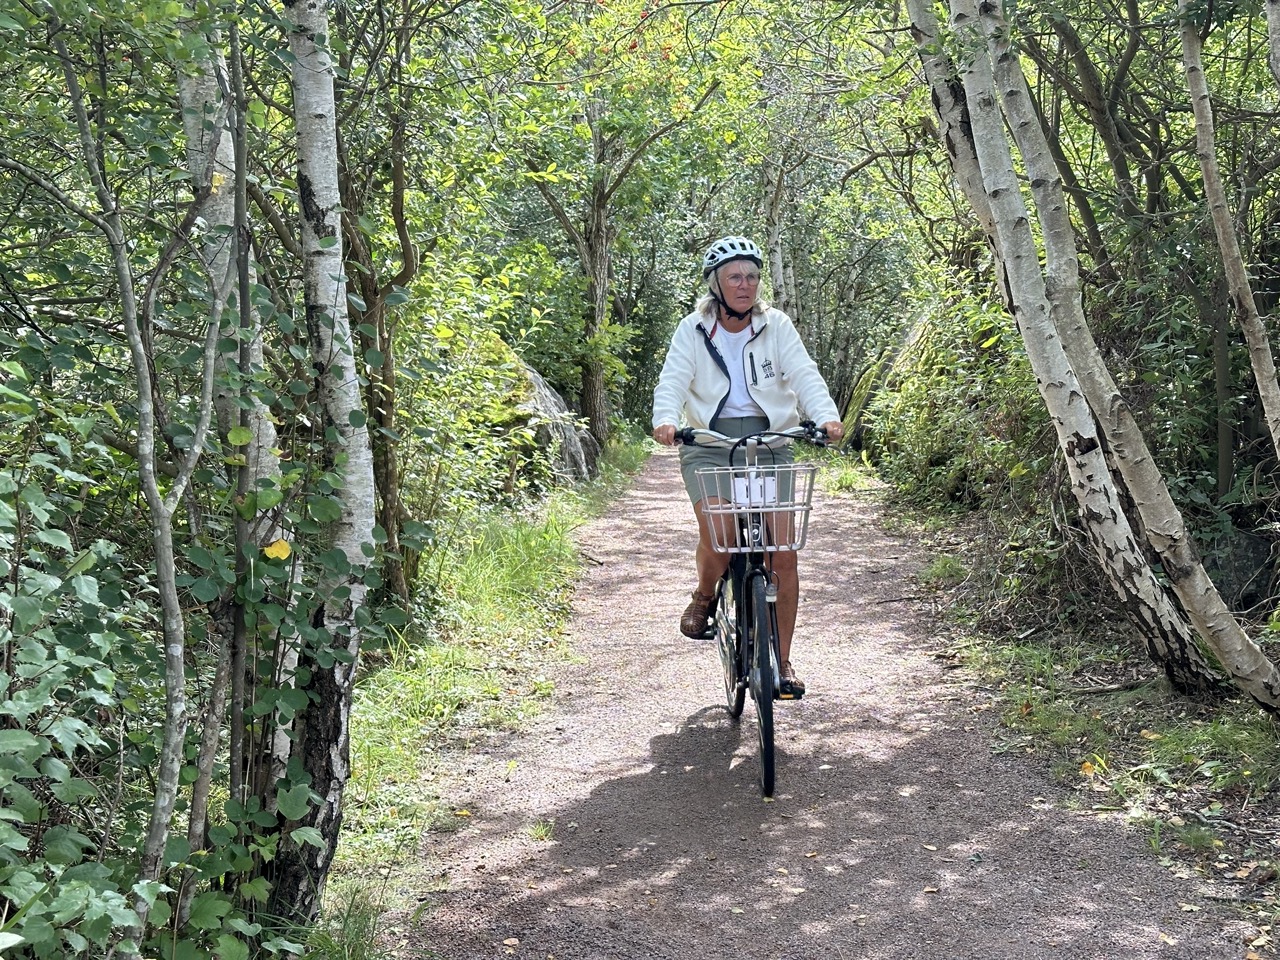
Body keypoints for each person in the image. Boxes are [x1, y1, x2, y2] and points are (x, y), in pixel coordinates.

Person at [651, 235, 844, 698]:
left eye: (753, 276)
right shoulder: (693, 329)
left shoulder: (775, 325)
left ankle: (782, 661)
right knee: (721, 537)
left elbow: (803, 373)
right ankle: (705, 594)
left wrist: (826, 415)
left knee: (783, 550)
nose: (746, 284)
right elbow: (673, 378)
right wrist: (666, 419)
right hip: (710, 445)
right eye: (736, 276)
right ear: (716, 283)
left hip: (771, 443)